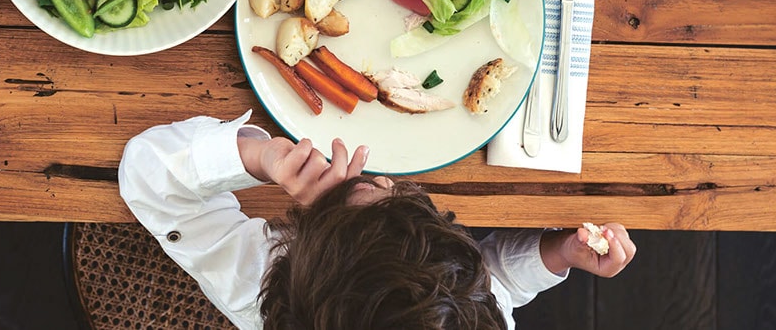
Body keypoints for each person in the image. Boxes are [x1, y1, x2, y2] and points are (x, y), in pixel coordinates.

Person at [119, 113, 638, 330]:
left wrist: (262, 159)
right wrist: (554, 255)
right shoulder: (474, 317)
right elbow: (495, 281)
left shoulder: (261, 288)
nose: (385, 180)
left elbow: (148, 175)